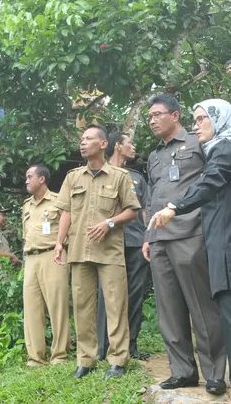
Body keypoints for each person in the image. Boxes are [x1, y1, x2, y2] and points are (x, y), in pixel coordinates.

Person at [148, 99, 231, 404]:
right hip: (229, 253)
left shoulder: (226, 149)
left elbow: (211, 181)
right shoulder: (229, 149)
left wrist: (174, 206)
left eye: (203, 118)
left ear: (220, 119)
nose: (197, 124)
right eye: (196, 118)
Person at [143, 94, 227, 395]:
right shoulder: (153, 155)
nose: (151, 120)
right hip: (160, 239)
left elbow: (213, 184)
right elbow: (151, 198)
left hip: (192, 233)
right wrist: (148, 236)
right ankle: (182, 371)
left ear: (175, 115)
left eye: (157, 114)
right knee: (169, 310)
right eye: (148, 116)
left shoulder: (198, 142)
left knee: (202, 306)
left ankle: (215, 372)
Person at [54, 124, 141, 379]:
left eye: (88, 138)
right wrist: (60, 242)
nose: (82, 142)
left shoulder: (120, 176)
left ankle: (118, 360)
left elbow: (132, 210)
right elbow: (66, 212)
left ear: (103, 144)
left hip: (110, 253)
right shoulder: (73, 177)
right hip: (80, 251)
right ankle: (86, 360)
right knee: (82, 307)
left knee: (116, 305)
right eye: (81, 138)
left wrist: (110, 223)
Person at [96, 133, 151, 362]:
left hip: (136, 243)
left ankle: (130, 346)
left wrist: (150, 237)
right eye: (129, 143)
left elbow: (146, 209)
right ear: (117, 146)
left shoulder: (138, 177)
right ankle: (103, 348)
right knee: (106, 297)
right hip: (108, 244)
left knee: (135, 295)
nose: (134, 147)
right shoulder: (98, 173)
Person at [22, 164, 70, 366]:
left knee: (57, 307)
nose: (26, 181)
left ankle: (59, 356)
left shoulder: (58, 201)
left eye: (30, 176)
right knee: (32, 310)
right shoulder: (26, 205)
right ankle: (36, 357)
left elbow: (69, 227)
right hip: (31, 259)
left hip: (53, 255)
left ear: (42, 179)